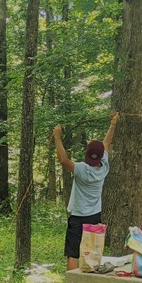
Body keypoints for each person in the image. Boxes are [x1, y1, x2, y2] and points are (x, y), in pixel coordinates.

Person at [53, 112, 119, 274]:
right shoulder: (104, 167)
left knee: (73, 252)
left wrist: (57, 137)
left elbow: (63, 160)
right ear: (101, 156)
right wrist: (113, 124)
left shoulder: (81, 169)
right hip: (94, 215)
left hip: (77, 216)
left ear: (87, 154)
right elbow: (106, 143)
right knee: (90, 249)